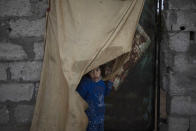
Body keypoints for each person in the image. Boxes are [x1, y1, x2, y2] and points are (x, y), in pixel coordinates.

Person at [77, 66, 113, 131]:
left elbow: (105, 94)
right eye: (91, 71)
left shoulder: (102, 83)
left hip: (100, 117)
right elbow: (78, 99)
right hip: (90, 119)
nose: (95, 73)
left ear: (101, 71)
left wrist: (110, 83)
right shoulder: (85, 84)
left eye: (97, 70)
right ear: (88, 72)